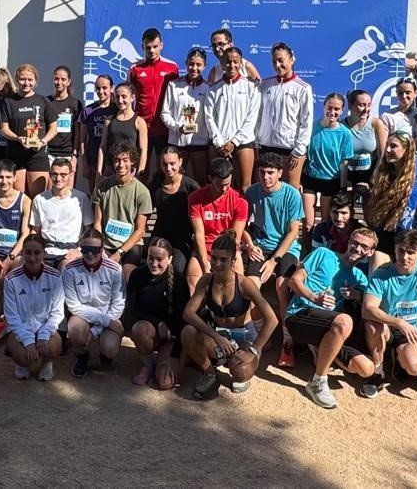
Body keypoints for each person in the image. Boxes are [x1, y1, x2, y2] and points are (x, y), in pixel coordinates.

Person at [285, 227, 380, 408]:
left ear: (370, 252)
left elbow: (370, 300)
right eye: (355, 243)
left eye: (364, 247)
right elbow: (294, 280)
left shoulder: (359, 277)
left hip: (328, 325)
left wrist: (356, 295)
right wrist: (314, 297)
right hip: (299, 314)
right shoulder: (323, 254)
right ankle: (318, 381)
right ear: (349, 241)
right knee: (344, 321)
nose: (358, 249)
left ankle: (322, 350)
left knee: (366, 369)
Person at [183, 233, 278, 399]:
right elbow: (188, 313)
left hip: (243, 336)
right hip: (218, 334)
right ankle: (210, 373)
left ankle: (232, 362)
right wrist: (216, 337)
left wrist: (254, 350)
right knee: (188, 332)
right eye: (214, 258)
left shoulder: (244, 284)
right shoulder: (206, 281)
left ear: (233, 261)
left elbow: (272, 319)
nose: (217, 264)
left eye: (223, 259)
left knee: (240, 373)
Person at [360, 230, 417, 397]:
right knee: (372, 325)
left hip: (413, 329)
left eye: (411, 252)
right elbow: (367, 309)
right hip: (389, 326)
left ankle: (399, 356)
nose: (404, 257)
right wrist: (398, 322)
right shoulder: (381, 275)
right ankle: (378, 372)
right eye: (400, 251)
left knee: (414, 367)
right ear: (395, 250)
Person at [243, 153, 305, 367]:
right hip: (260, 247)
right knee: (249, 286)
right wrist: (250, 244)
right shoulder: (252, 192)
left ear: (280, 173)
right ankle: (263, 333)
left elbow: (293, 232)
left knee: (281, 285)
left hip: (286, 248)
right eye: (262, 172)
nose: (266, 177)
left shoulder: (291, 194)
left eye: (270, 173)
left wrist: (274, 261)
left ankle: (288, 339)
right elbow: (241, 224)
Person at [126, 238, 191, 389]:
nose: (154, 264)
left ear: (170, 259)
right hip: (151, 330)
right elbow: (132, 308)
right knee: (139, 329)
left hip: (172, 338)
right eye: (150, 258)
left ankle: (175, 359)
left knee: (165, 383)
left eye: (159, 259)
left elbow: (184, 321)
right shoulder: (137, 275)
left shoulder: (179, 282)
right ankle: (148, 365)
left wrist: (175, 354)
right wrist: (158, 323)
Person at [63, 230, 127, 378]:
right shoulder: (69, 269)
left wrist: (94, 332)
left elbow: (117, 305)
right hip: (84, 316)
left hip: (109, 315)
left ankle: (105, 354)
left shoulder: (115, 269)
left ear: (102, 249)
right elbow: (73, 305)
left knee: (110, 348)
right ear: (80, 249)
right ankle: (82, 355)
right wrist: (105, 321)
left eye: (95, 250)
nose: (90, 254)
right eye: (85, 250)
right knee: (76, 331)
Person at [3, 235, 64, 382]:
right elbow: (11, 317)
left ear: (44, 253)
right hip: (22, 329)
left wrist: (43, 335)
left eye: (37, 253)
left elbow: (57, 313)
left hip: (45, 328)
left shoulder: (55, 277)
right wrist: (28, 341)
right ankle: (23, 364)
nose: (32, 258)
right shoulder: (11, 280)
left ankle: (46, 362)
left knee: (54, 347)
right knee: (23, 356)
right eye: (28, 252)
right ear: (22, 253)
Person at [255, 42, 313, 188]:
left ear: (291, 60)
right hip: (266, 146)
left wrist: (298, 150)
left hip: (290, 149)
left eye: (281, 60)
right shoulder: (264, 85)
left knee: (291, 190)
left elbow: (306, 121)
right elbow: (258, 115)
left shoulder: (303, 88)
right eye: (274, 61)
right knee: (265, 189)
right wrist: (256, 141)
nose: (277, 65)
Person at [365, 132, 417, 253]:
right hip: (383, 234)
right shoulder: (381, 174)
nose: (387, 149)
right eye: (386, 145)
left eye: (393, 146)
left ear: (406, 149)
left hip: (409, 237)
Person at [126, 27, 179, 183]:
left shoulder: (172, 67)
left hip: (164, 127)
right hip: (141, 127)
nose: (151, 50)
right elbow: (129, 97)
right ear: (142, 47)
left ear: (161, 45)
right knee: (142, 169)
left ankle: (161, 204)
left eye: (155, 46)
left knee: (165, 169)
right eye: (148, 47)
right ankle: (142, 204)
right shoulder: (135, 69)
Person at [92, 144, 153, 279]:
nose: (121, 164)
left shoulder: (142, 191)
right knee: (99, 270)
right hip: (106, 242)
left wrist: (120, 252)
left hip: (131, 244)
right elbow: (97, 222)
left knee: (128, 273)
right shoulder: (102, 187)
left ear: (132, 162)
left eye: (125, 160)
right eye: (117, 160)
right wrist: (100, 247)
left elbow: (140, 230)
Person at [188, 157, 249, 288]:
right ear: (210, 178)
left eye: (228, 184)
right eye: (220, 185)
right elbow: (199, 233)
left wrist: (221, 261)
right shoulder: (196, 198)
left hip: (228, 249)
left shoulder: (240, 201)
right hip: (205, 246)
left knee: (236, 284)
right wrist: (205, 263)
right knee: (194, 280)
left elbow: (234, 237)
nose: (224, 189)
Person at [206, 46, 260, 191]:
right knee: (220, 187)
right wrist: (219, 142)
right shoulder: (213, 89)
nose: (232, 65)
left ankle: (245, 215)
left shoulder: (252, 87)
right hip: (220, 145)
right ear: (222, 63)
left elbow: (252, 117)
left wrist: (234, 142)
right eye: (228, 62)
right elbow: (209, 117)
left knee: (245, 187)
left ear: (241, 63)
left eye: (236, 62)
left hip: (243, 143)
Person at [0, 64, 57, 196]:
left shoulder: (42, 101)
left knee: (38, 197)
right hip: (15, 154)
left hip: (37, 154)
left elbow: (54, 127)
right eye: (23, 79)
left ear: (35, 81)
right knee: (19, 196)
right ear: (17, 80)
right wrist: (18, 138)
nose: (26, 83)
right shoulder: (9, 102)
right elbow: (4, 129)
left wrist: (43, 141)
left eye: (30, 80)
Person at [161, 48, 213, 184]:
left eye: (198, 65)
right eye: (191, 64)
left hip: (200, 142)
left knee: (200, 181)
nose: (194, 68)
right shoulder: (174, 85)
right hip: (177, 142)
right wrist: (178, 128)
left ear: (204, 66)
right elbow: (165, 113)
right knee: (174, 180)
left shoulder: (209, 88)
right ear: (186, 63)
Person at [304, 93, 355, 230]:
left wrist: (343, 186)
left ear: (342, 110)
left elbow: (344, 163)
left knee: (325, 224)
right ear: (323, 106)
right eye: (329, 107)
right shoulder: (312, 127)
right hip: (310, 179)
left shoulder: (345, 133)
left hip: (331, 181)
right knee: (308, 224)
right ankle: (306, 250)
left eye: (336, 109)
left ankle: (323, 249)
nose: (332, 112)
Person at [30, 158, 92, 267]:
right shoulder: (39, 199)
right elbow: (35, 231)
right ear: (50, 175)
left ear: (71, 175)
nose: (58, 179)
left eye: (63, 175)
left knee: (66, 270)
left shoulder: (80, 198)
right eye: (54, 174)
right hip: (46, 251)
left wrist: (80, 250)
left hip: (70, 251)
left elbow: (89, 230)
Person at [151, 146, 200, 278]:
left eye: (172, 164)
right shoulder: (156, 185)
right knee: (153, 264)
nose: (168, 168)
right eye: (164, 164)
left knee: (177, 269)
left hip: (183, 238)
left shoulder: (191, 187)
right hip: (161, 234)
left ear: (180, 162)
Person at [0, 159, 30, 282]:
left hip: (16, 253)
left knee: (21, 274)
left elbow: (26, 233)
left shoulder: (25, 201)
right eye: (0, 177)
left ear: (15, 178)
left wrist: (11, 257)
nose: (4, 181)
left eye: (8, 177)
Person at [344, 88, 388, 199]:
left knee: (369, 208)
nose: (366, 109)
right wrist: (344, 183)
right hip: (347, 174)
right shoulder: (342, 126)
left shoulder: (376, 124)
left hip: (369, 174)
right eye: (361, 105)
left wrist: (372, 181)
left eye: (369, 105)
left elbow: (382, 155)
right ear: (350, 106)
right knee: (345, 207)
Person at [99, 82, 148, 184]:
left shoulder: (139, 122)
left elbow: (143, 150)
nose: (120, 100)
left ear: (132, 97)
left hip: (130, 171)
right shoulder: (109, 121)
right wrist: (99, 172)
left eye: (124, 96)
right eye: (117, 97)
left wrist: (140, 172)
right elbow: (102, 147)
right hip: (111, 170)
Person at [45, 65, 85, 169]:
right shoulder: (47, 101)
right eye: (56, 79)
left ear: (68, 81)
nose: (59, 82)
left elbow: (77, 131)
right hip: (49, 153)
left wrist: (75, 155)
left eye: (63, 79)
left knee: (67, 185)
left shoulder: (75, 103)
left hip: (68, 153)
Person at [80, 74, 116, 190]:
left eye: (104, 88)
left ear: (111, 88)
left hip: (113, 159)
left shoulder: (117, 109)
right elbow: (82, 140)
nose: (101, 91)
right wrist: (85, 164)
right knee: (95, 194)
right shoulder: (88, 110)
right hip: (93, 159)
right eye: (98, 88)